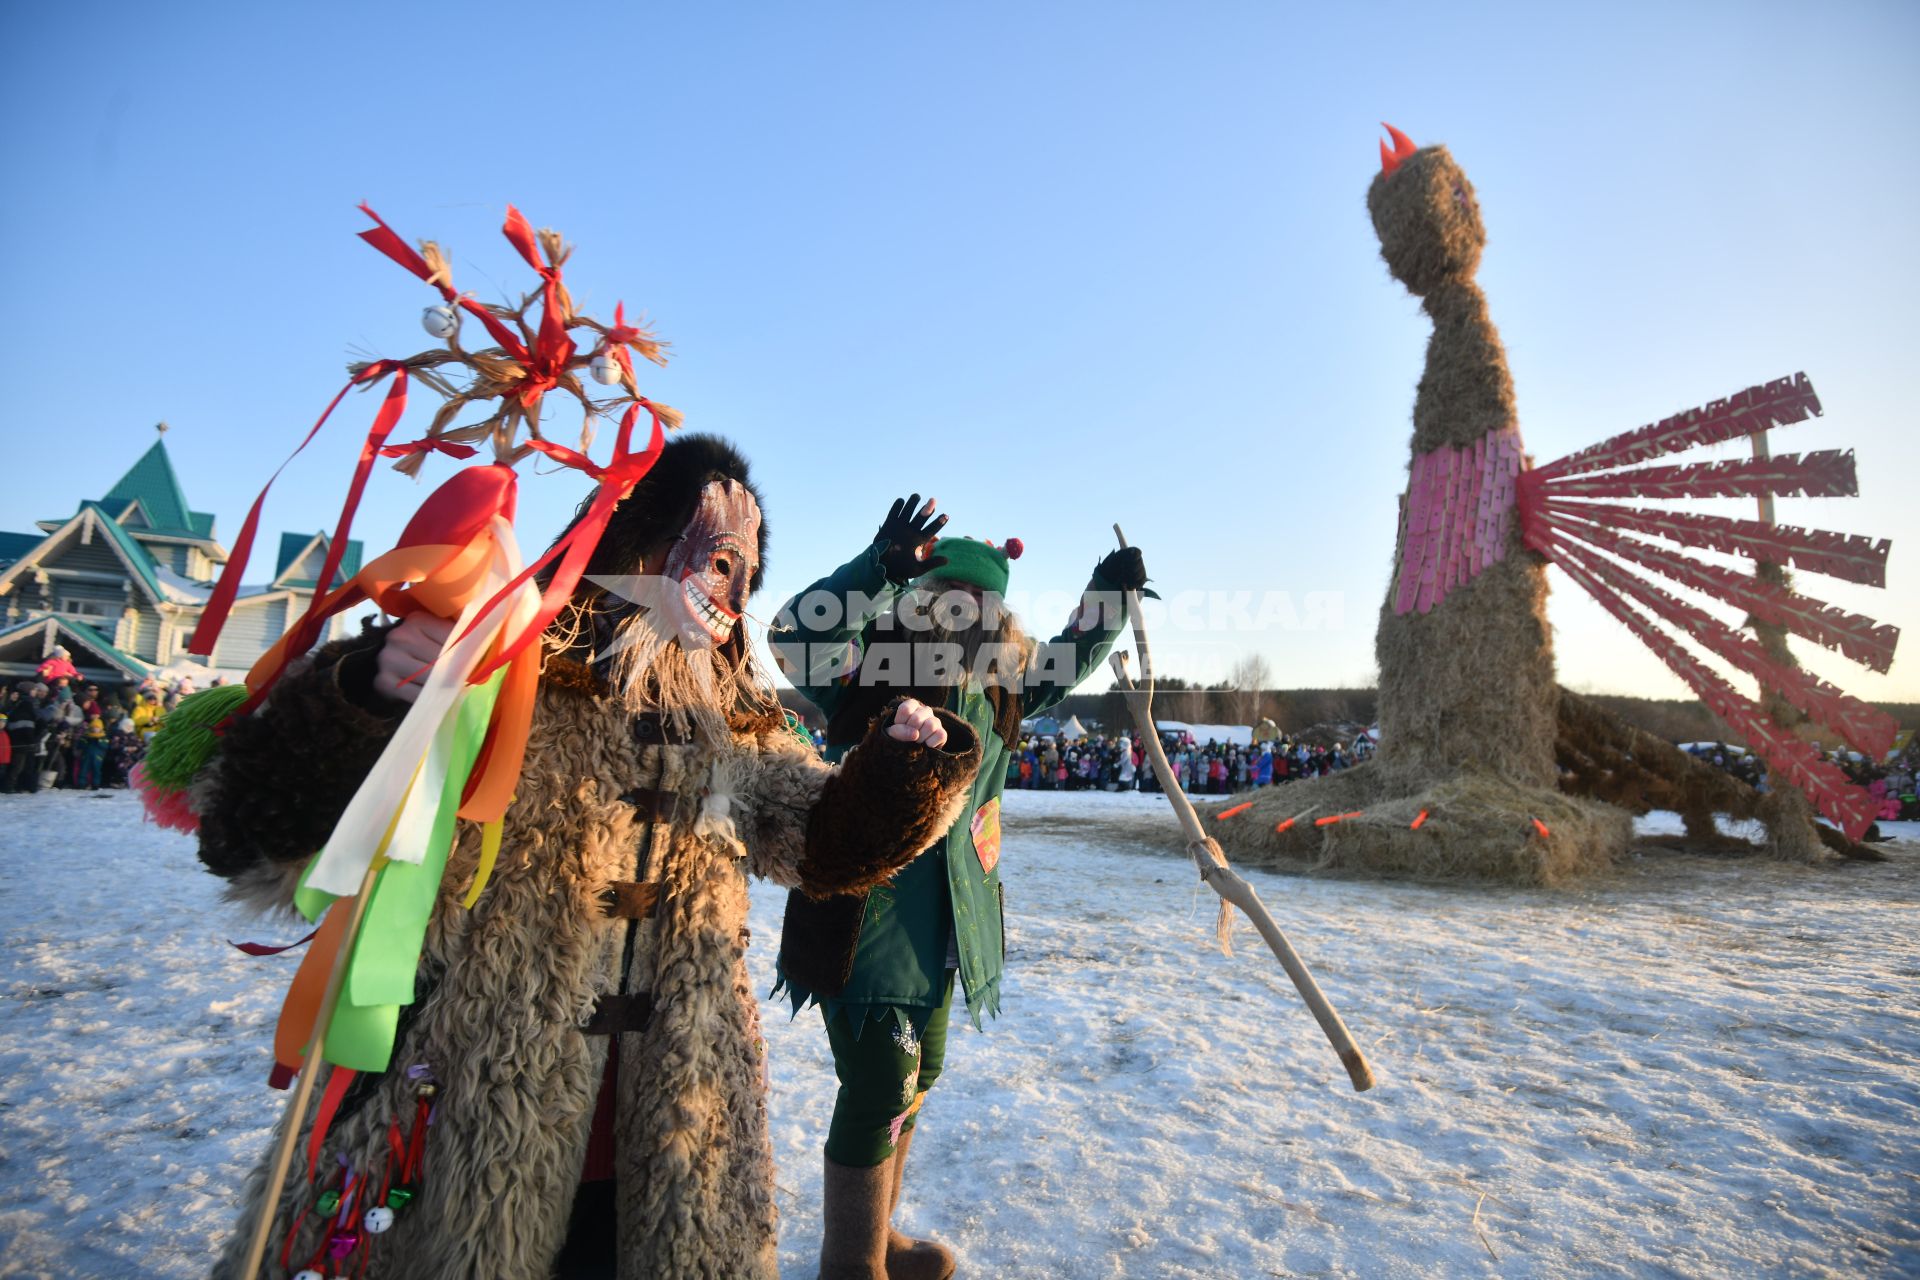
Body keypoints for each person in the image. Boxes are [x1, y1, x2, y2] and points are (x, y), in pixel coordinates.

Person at [191, 437, 984, 1280]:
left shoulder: (726, 722)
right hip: (464, 1104)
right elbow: (254, 842)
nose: (727, 590)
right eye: (714, 560)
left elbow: (816, 835)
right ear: (631, 542)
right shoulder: (487, 665)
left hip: (674, 1120)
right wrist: (366, 697)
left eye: (740, 573)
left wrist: (904, 772)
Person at [770, 498, 1146, 1278]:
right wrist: (874, 568)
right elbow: (796, 638)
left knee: (917, 1078)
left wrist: (1111, 593)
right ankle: (851, 1264)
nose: (966, 611)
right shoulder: (870, 664)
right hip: (868, 923)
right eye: (950, 594)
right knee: (879, 1087)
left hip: (950, 927)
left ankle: (879, 1239)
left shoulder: (1007, 686)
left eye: (983, 600)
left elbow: (1072, 654)